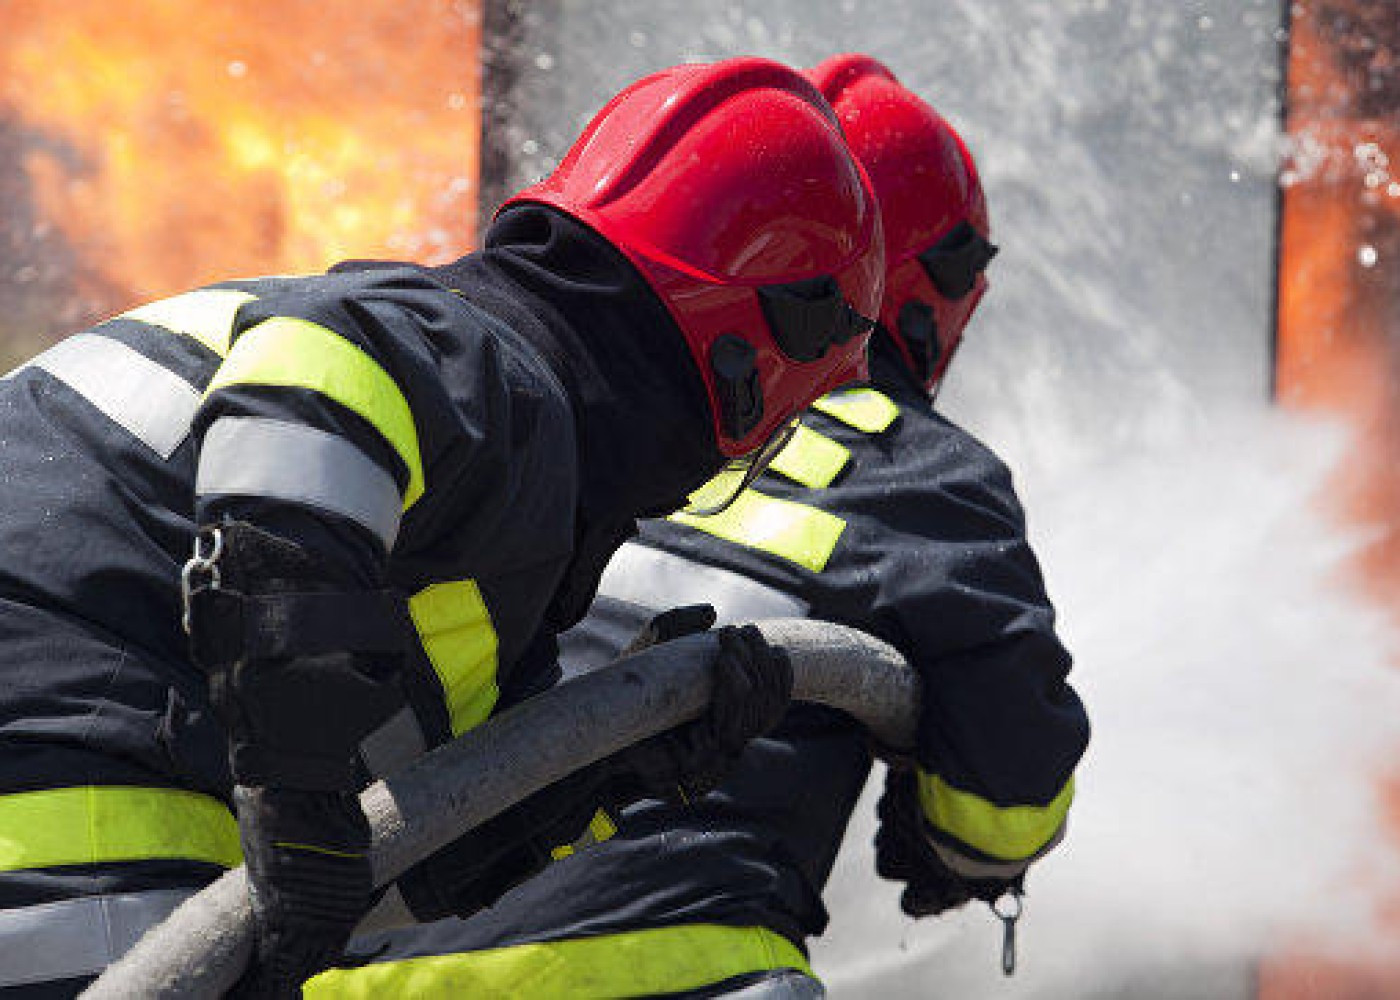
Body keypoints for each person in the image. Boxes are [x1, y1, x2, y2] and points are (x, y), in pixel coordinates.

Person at [0, 56, 886, 997]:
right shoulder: (478, 361)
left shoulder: (475, 514)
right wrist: (296, 789)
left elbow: (398, 858)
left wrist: (613, 768)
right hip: (69, 778)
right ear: (753, 357)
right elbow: (312, 393)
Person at [313, 54, 1091, 999]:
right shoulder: (920, 473)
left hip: (353, 967)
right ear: (928, 286)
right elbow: (1001, 809)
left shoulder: (536, 407)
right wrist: (945, 834)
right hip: (664, 972)